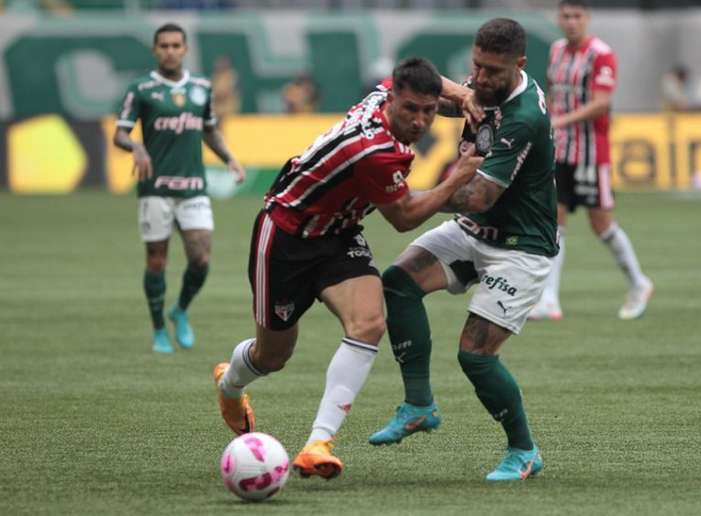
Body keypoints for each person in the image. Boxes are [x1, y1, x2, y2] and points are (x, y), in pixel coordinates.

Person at [212, 57, 483, 480]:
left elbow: (426, 82)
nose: (420, 120)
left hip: (337, 235)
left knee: (370, 322)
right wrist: (457, 177)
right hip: (285, 235)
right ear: (392, 101)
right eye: (410, 109)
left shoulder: (384, 95)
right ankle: (230, 384)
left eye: (428, 111)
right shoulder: (374, 149)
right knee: (273, 355)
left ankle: (318, 444)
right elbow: (404, 217)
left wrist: (464, 96)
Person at [369, 18, 558, 482]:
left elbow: (477, 197)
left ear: (520, 65)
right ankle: (418, 405)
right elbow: (429, 86)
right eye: (477, 67)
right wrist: (463, 92)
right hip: (476, 232)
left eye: (493, 71)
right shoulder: (486, 86)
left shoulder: (524, 118)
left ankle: (524, 451)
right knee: (396, 284)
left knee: (475, 354)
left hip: (520, 247)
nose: (483, 78)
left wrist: (407, 198)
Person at [113, 23, 245, 353]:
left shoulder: (201, 88)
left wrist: (230, 157)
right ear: (155, 50)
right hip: (155, 187)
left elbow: (209, 130)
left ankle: (180, 310)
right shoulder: (141, 88)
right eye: (163, 46)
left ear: (185, 49)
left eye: (175, 45)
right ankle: (159, 329)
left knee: (201, 259)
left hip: (193, 187)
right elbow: (120, 133)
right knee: (157, 261)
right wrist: (137, 147)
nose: (170, 51)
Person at [532, 0, 653, 321]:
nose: (571, 22)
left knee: (601, 223)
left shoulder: (601, 54)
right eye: (566, 16)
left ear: (587, 18)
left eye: (577, 16)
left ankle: (639, 283)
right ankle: (549, 299)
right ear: (559, 18)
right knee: (553, 220)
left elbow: (601, 104)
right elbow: (553, 92)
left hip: (590, 152)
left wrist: (559, 120)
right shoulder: (556, 50)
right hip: (560, 150)